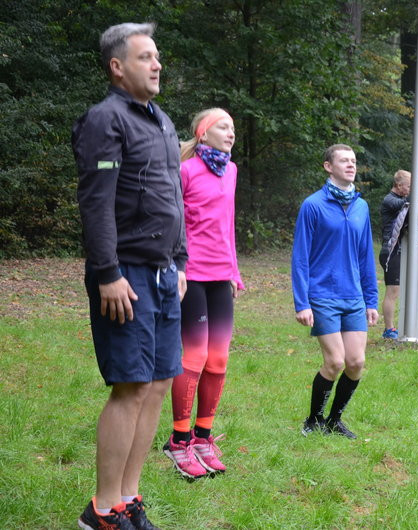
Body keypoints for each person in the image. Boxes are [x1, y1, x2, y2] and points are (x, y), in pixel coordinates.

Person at [73, 22, 186, 529]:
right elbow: (96, 206)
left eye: (157, 56)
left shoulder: (160, 121)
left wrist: (180, 261)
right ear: (118, 67)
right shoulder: (105, 120)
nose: (157, 64)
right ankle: (100, 510)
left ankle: (127, 500)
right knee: (130, 387)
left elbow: (172, 198)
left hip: (164, 275)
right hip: (126, 275)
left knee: (160, 383)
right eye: (145, 57)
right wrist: (108, 273)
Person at [162, 108, 244, 479]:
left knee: (219, 359)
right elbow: (172, 222)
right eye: (223, 127)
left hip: (220, 274)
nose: (230, 133)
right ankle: (178, 441)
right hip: (190, 274)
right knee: (193, 356)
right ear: (203, 133)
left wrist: (234, 272)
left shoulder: (232, 171)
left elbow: (228, 225)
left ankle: (202, 437)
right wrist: (175, 268)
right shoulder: (185, 170)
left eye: (232, 128)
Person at [292, 144, 379, 440]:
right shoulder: (313, 205)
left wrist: (371, 299)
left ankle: (334, 420)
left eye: (353, 160)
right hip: (322, 296)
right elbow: (301, 257)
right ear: (328, 166)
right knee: (335, 362)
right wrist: (302, 302)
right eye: (344, 160)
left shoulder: (361, 206)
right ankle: (313, 419)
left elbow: (366, 255)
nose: (351, 165)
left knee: (356, 363)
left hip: (353, 297)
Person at [378, 170, 411, 340]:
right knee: (393, 290)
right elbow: (407, 204)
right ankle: (389, 329)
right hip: (390, 251)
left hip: (400, 249)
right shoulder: (390, 200)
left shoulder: (398, 199)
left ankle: (401, 325)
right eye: (409, 186)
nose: (411, 190)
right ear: (399, 186)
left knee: (400, 290)